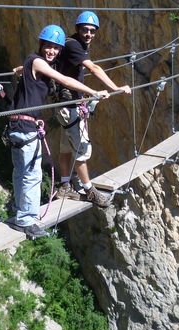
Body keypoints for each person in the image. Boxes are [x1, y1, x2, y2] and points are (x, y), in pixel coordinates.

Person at [5, 24, 109, 239]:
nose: (51, 51)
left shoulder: (33, 61)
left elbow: (42, 69)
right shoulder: (36, 61)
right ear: (41, 45)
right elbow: (65, 80)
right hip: (25, 126)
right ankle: (26, 220)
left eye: (56, 48)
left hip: (16, 125)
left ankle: (19, 212)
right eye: (48, 46)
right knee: (32, 175)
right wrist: (93, 92)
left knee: (20, 173)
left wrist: (20, 69)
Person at [54, 11, 131, 207]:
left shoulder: (75, 43)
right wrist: (116, 88)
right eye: (85, 30)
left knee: (66, 147)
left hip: (64, 104)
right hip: (69, 106)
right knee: (81, 149)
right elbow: (94, 68)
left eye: (92, 31)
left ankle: (64, 185)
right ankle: (89, 191)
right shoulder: (74, 45)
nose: (89, 34)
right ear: (77, 29)